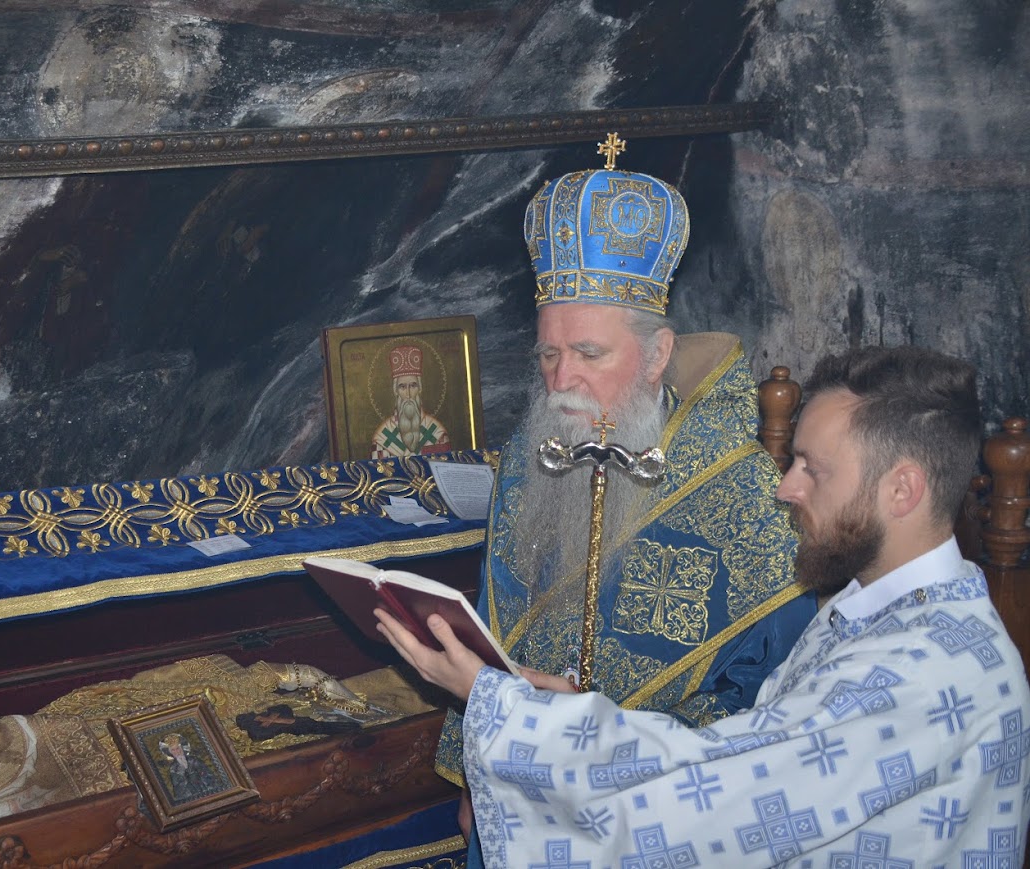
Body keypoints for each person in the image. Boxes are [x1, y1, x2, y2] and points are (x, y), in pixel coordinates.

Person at [382, 345, 1030, 867]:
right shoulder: (883, 612)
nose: (786, 487)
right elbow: (756, 755)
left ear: (902, 489)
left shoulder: (926, 672)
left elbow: (714, 797)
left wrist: (509, 712)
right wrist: (559, 712)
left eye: (813, 468)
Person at [434, 139, 817, 856]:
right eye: (549, 354)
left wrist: (612, 753)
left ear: (657, 354)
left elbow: (770, 696)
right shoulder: (529, 457)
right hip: (519, 781)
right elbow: (499, 626)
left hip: (659, 812)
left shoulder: (739, 490)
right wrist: (475, 776)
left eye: (589, 354)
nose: (561, 381)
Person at [371, 344, 452, 458]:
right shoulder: (382, 438)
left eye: (413, 386)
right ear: (395, 391)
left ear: (420, 389)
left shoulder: (437, 433)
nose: (408, 394)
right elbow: (378, 468)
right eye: (402, 387)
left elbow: (444, 466)